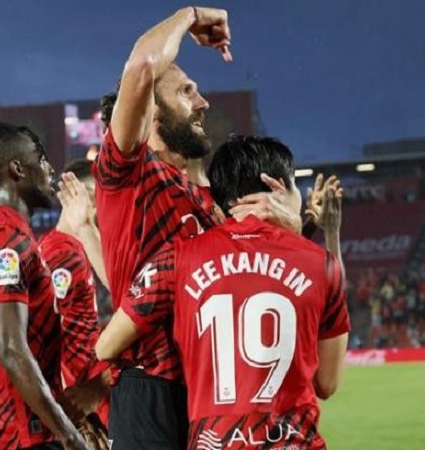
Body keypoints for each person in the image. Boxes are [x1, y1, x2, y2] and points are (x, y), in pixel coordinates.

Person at [94, 7, 306, 449]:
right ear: (151, 110)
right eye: (186, 92)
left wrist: (294, 230)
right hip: (151, 390)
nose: (204, 102)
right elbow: (142, 64)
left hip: (213, 391)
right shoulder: (129, 176)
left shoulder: (216, 203)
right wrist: (191, 15)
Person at [97, 136, 350, 450]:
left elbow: (106, 347)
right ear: (278, 187)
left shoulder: (177, 258)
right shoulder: (322, 264)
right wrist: (316, 233)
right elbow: (327, 383)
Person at [0, 95, 101, 450]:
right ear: (17, 169)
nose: (50, 170)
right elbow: (12, 350)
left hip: (5, 427)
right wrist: (69, 435)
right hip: (21, 432)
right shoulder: (7, 239)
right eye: (41, 159)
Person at [38, 160, 111, 428]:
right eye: (95, 196)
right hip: (76, 401)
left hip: (81, 396)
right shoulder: (62, 254)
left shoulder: (73, 249)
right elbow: (45, 333)